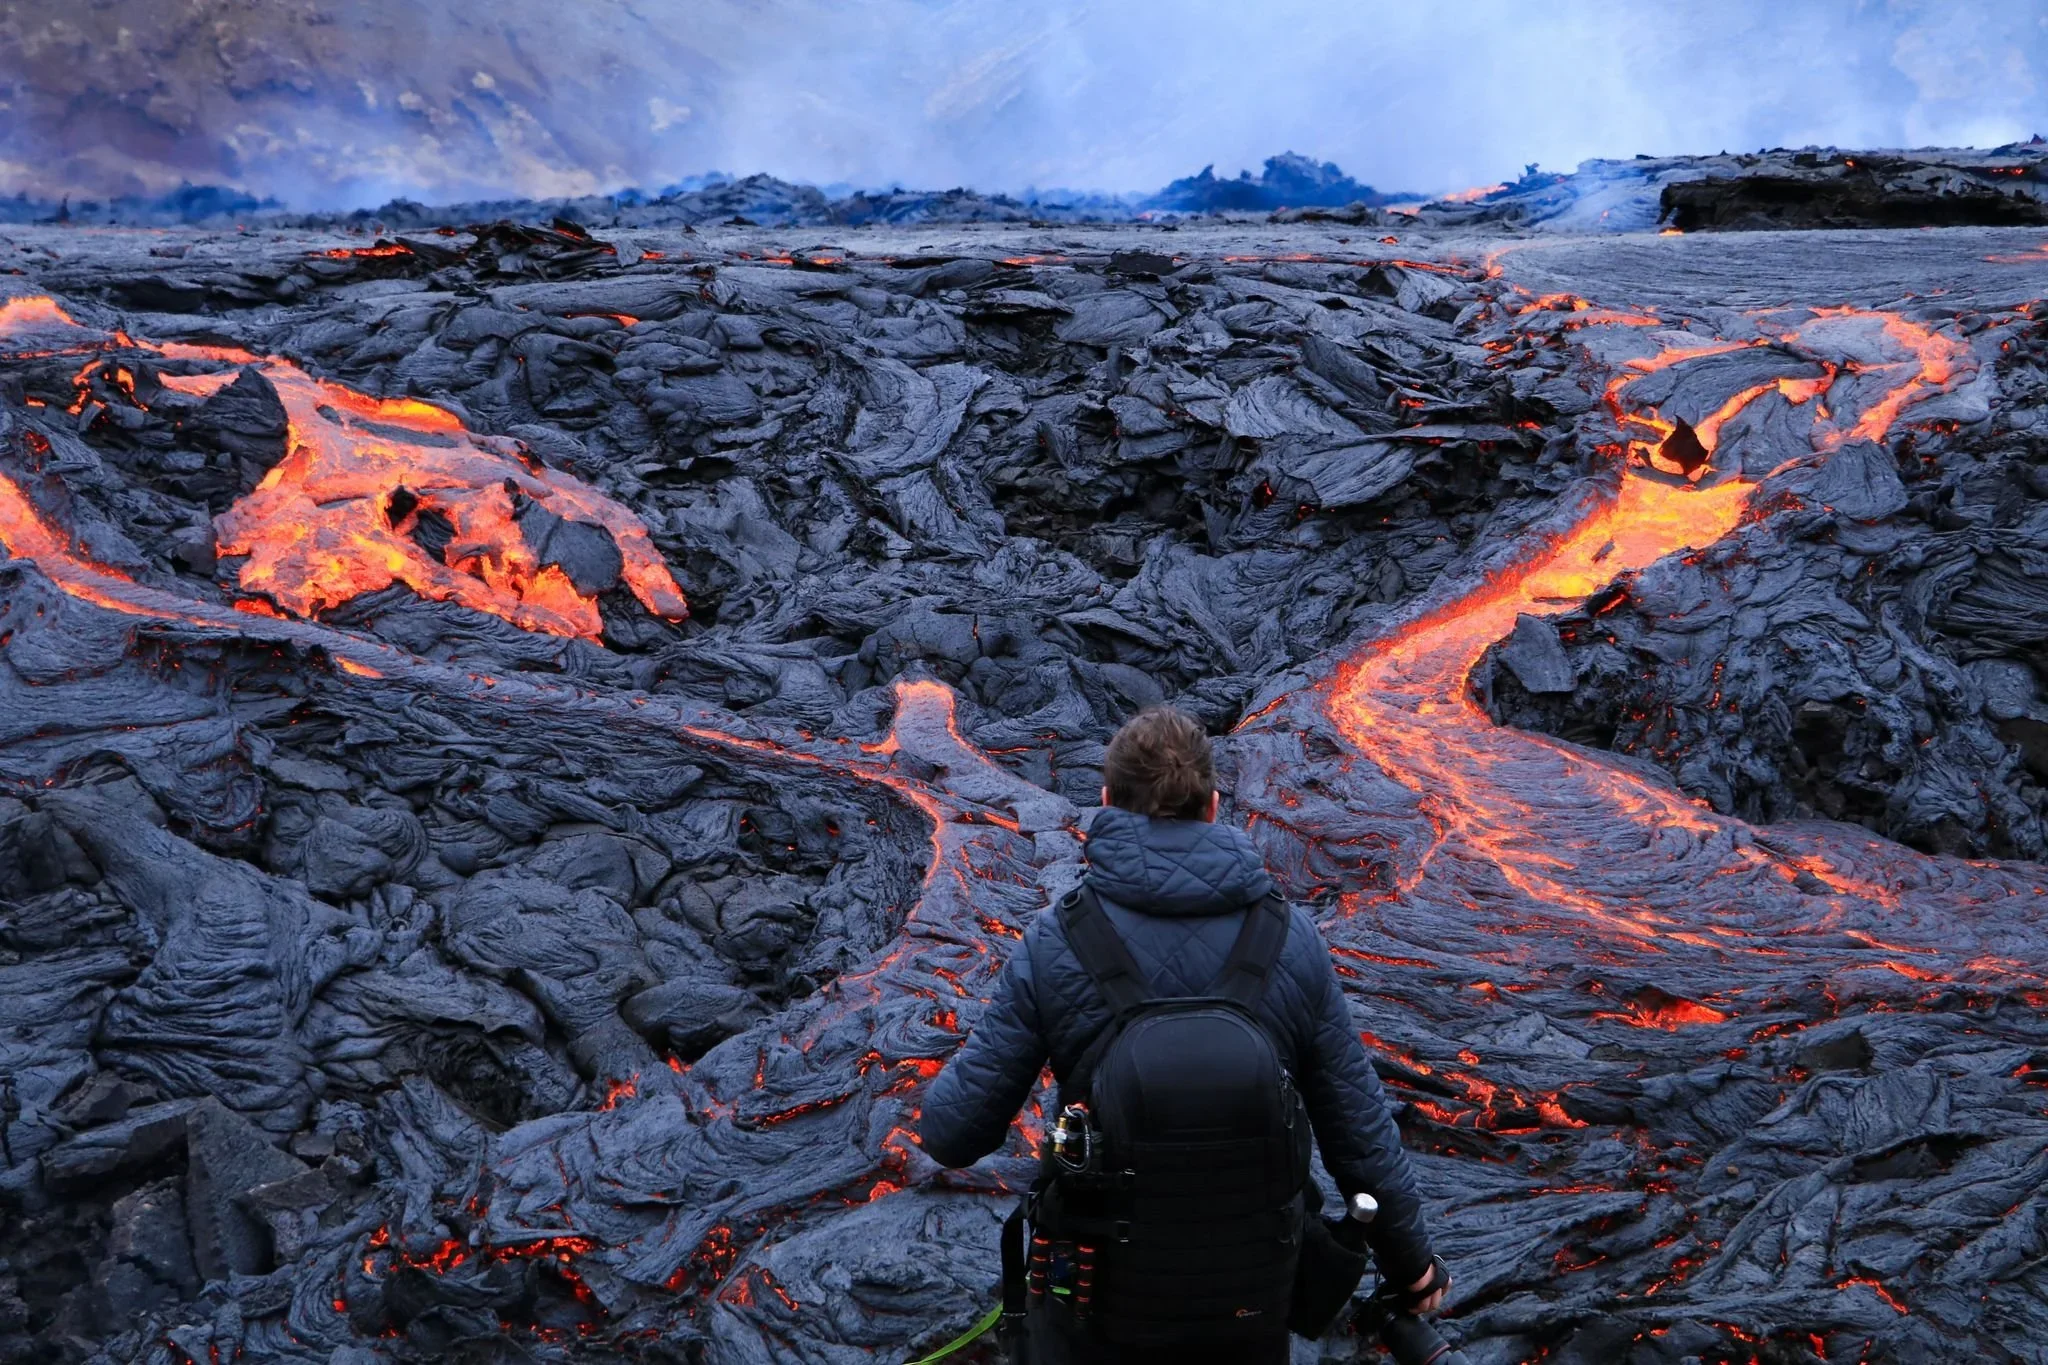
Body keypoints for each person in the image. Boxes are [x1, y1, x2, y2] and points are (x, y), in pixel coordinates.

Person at [918, 706, 1446, 1364]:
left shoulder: (1058, 939)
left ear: (1107, 802)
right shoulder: (1289, 939)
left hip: (1093, 1313)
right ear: (1215, 806)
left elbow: (952, 1132)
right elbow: (1360, 1132)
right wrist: (1414, 1267)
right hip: (1250, 1309)